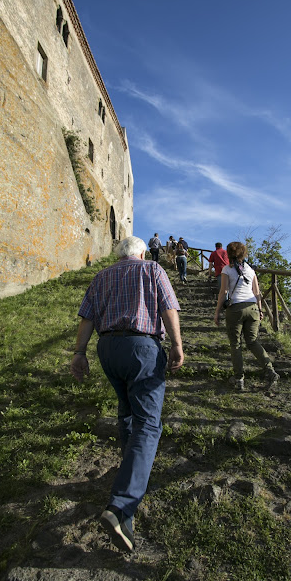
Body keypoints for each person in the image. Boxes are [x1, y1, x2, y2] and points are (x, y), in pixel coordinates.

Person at [70, 236, 184, 553]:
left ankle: (126, 490)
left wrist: (79, 353)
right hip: (141, 347)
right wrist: (176, 344)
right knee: (148, 423)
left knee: (128, 413)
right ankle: (120, 507)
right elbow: (168, 308)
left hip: (108, 348)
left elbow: (87, 317)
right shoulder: (153, 269)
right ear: (142, 252)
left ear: (119, 254)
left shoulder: (101, 276)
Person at [213, 241, 279, 392]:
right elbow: (257, 292)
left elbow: (223, 292)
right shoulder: (251, 269)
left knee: (236, 344)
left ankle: (239, 379)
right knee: (253, 341)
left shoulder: (226, 269)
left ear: (229, 254)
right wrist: (260, 310)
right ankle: (270, 370)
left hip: (235, 309)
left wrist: (217, 312)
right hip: (253, 308)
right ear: (244, 253)